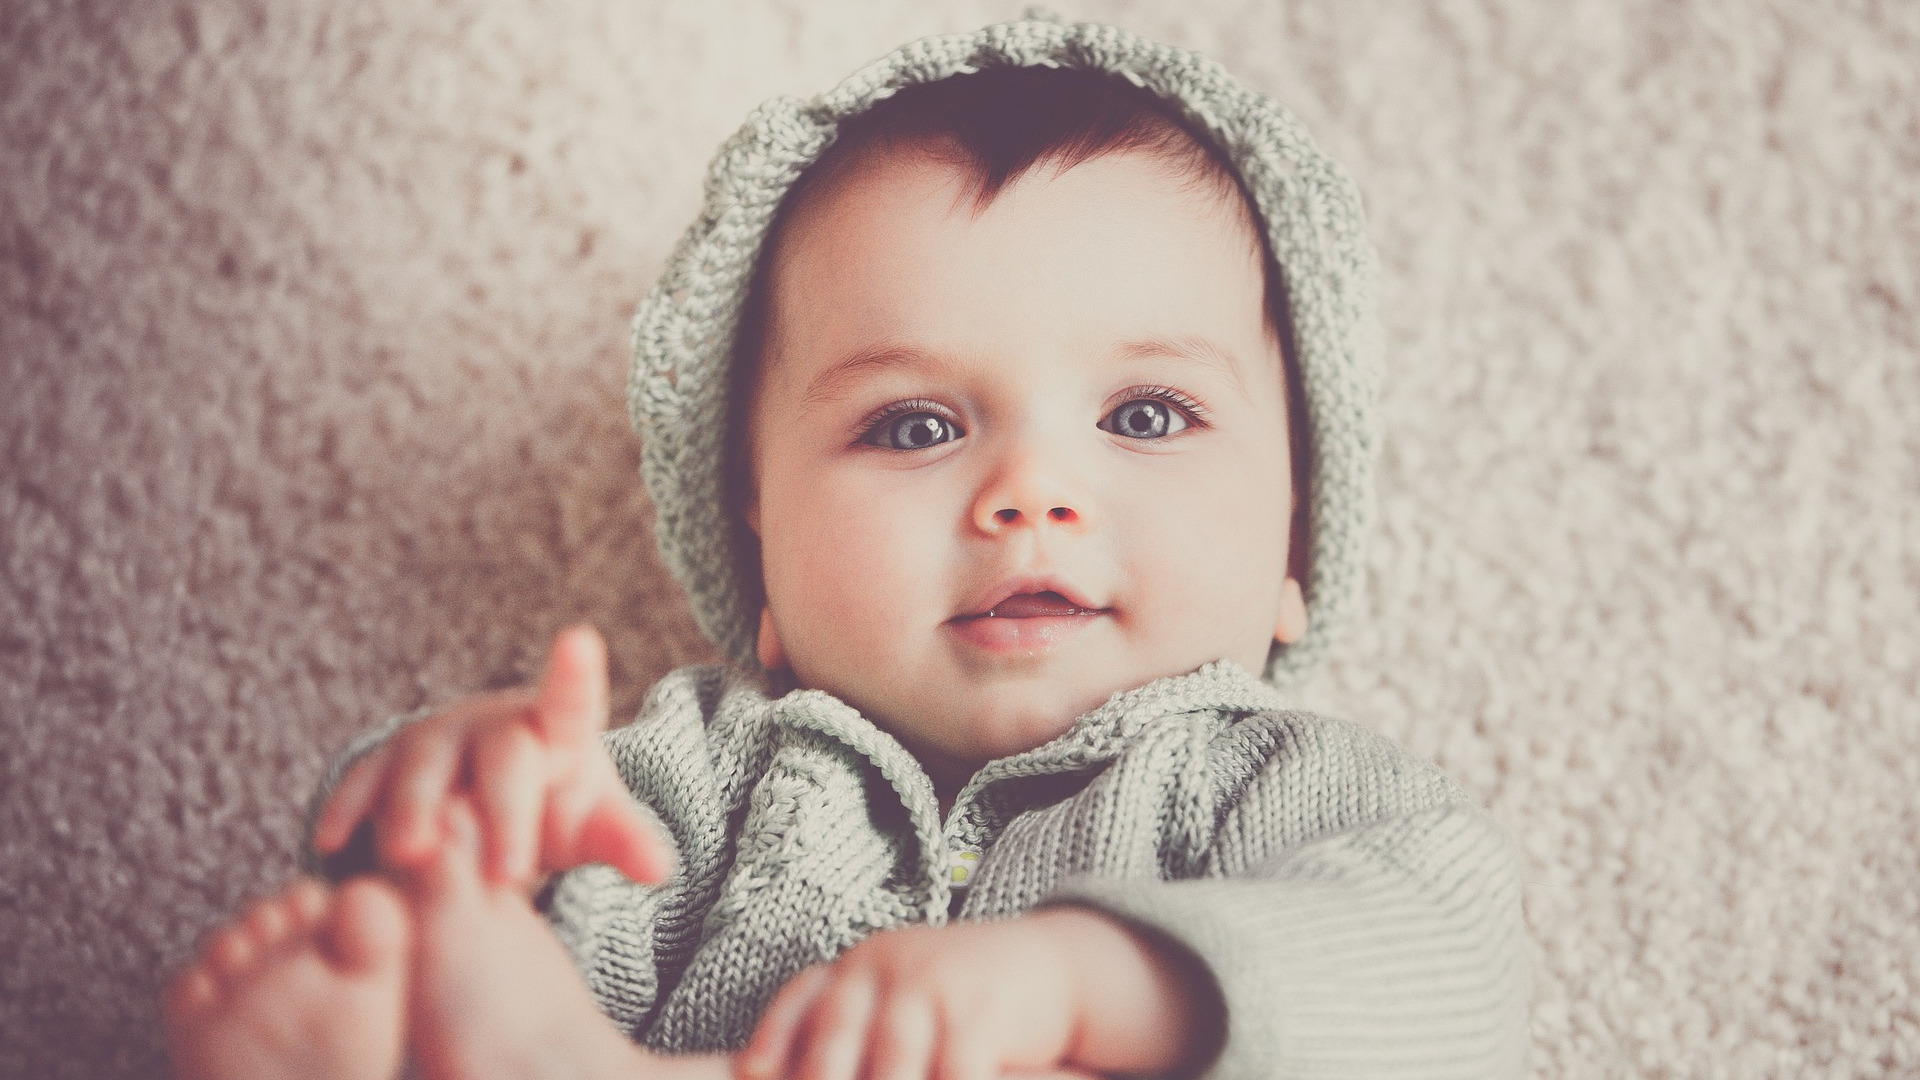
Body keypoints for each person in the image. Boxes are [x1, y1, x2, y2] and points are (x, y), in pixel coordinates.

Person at [164, 12, 1528, 1080]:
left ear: (1295, 544)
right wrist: (462, 828)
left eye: (1147, 414)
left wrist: (1078, 980)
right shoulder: (697, 783)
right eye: (916, 426)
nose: (1029, 494)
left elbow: (1442, 982)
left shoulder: (1279, 790)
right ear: (760, 555)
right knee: (445, 937)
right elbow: (548, 899)